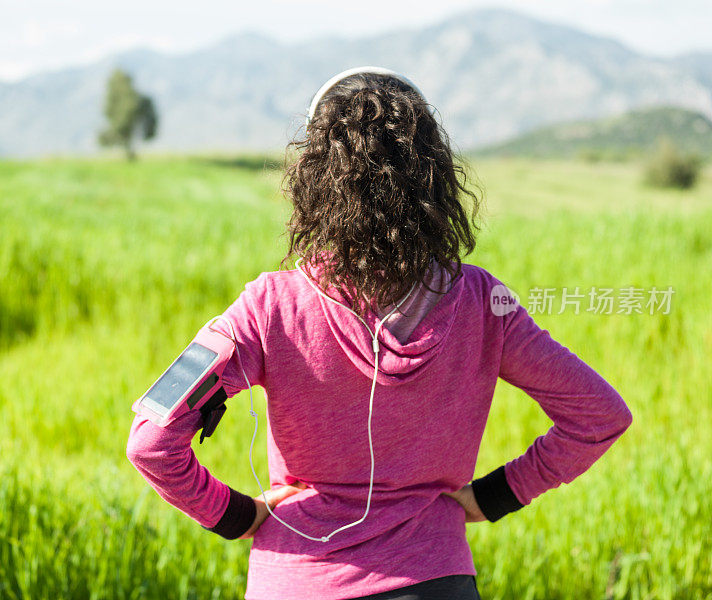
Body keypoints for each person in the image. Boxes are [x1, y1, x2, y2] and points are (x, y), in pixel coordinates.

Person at [126, 68, 634, 600]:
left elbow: (151, 442)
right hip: (436, 577)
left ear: (314, 180)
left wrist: (235, 515)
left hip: (297, 577)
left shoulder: (269, 305)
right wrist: (498, 495)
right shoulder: (485, 302)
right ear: (435, 180)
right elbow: (600, 416)